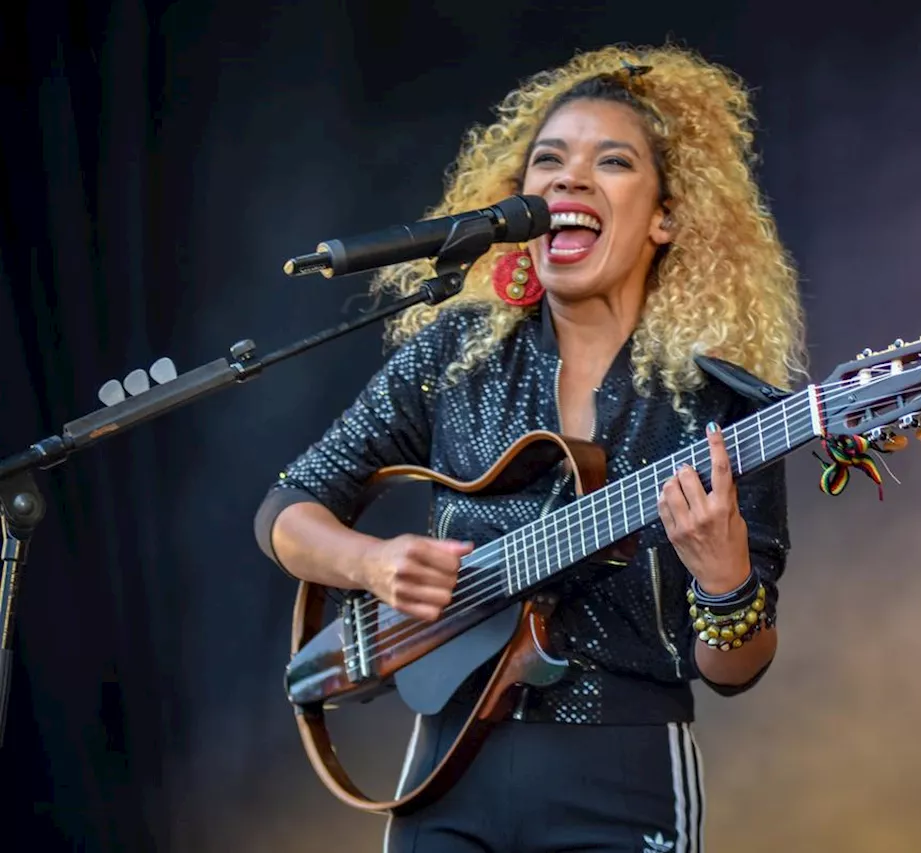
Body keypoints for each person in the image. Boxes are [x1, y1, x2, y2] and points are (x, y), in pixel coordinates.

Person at [253, 42, 805, 853]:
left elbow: (736, 668)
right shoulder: (457, 355)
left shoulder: (720, 409)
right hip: (447, 765)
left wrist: (725, 584)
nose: (569, 178)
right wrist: (370, 565)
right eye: (549, 160)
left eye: (611, 162)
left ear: (667, 216)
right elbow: (286, 509)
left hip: (623, 775)